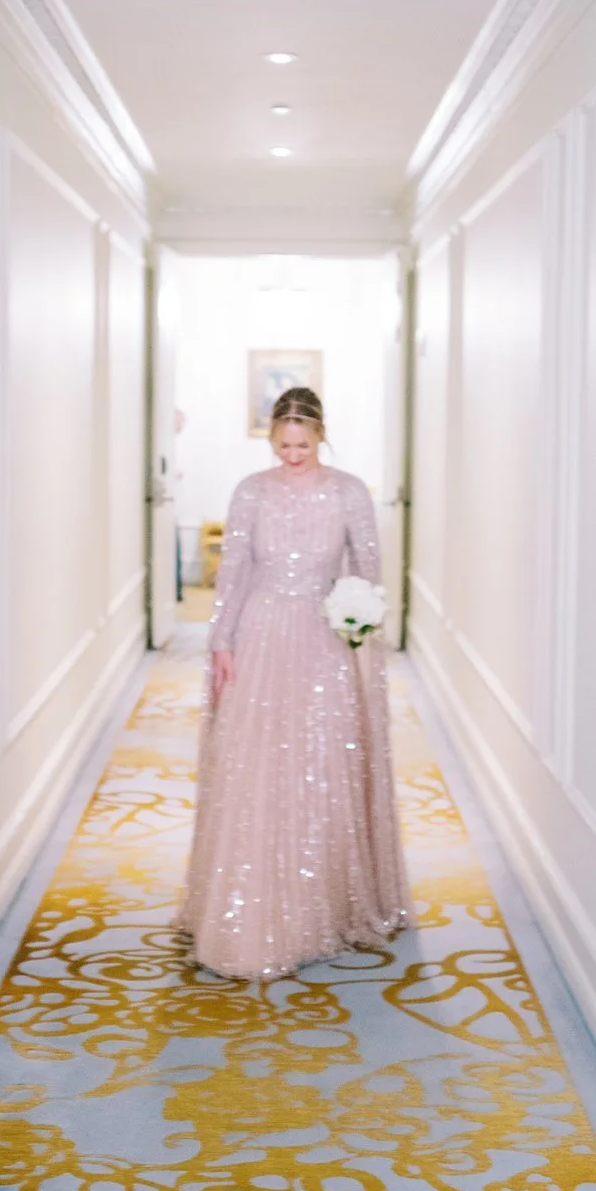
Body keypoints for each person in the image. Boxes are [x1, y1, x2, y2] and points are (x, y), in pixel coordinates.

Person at [179, 386, 410, 979]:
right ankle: (246, 909)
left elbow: (368, 570)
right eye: (282, 445)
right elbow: (233, 570)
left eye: (302, 445)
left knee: (321, 761)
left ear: (320, 435)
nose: (292, 454)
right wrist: (222, 641)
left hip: (321, 636)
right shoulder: (250, 492)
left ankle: (322, 905)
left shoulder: (349, 491)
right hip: (259, 631)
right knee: (257, 765)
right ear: (271, 438)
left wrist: (359, 619)